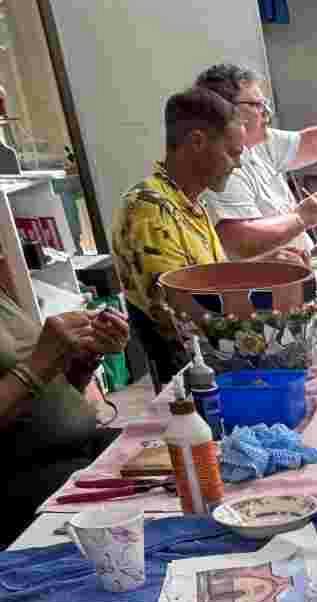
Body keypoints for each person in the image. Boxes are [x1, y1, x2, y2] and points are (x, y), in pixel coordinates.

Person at [196, 63, 317, 266]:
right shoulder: (223, 164)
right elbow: (238, 239)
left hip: (298, 266)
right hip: (268, 281)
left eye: (265, 103)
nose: (266, 112)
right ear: (226, 110)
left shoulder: (258, 143)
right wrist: (299, 218)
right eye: (256, 105)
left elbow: (311, 143)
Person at [112, 87, 242, 387]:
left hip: (215, 358)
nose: (238, 164)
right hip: (196, 380)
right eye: (232, 153)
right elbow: (179, 320)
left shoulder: (189, 202)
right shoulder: (151, 210)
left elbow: (213, 283)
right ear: (197, 142)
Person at [0, 296, 130, 545]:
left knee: (171, 456)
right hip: (28, 473)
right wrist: (37, 365)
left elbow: (50, 390)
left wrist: (84, 361)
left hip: (80, 445)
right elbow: (33, 370)